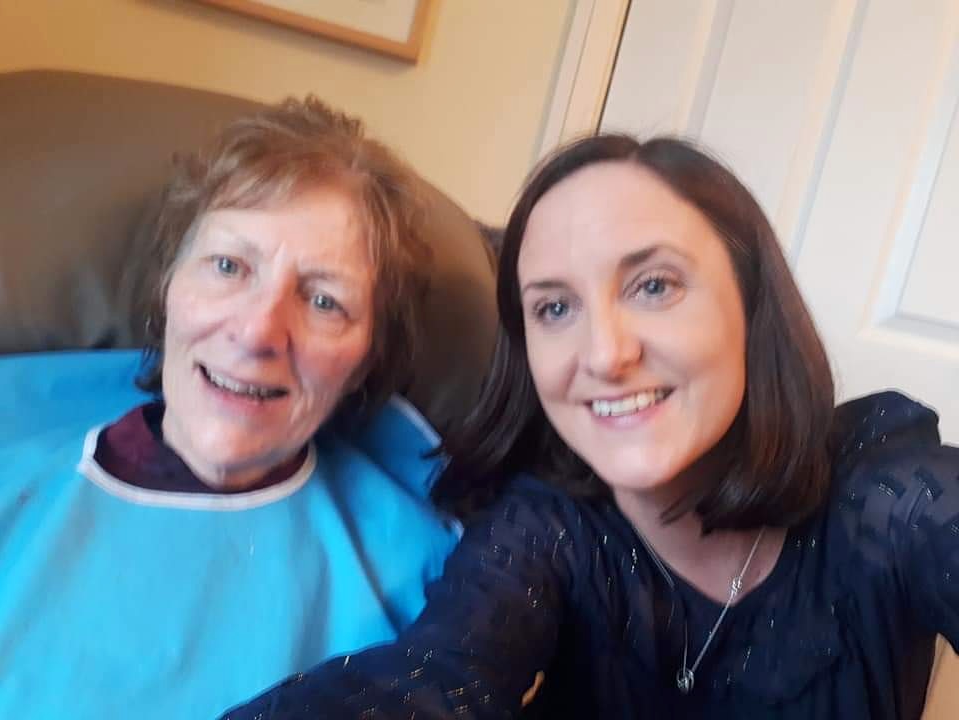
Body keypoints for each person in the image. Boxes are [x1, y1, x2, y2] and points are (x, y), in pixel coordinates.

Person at [220, 134, 959, 719]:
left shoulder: (892, 499)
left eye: (654, 285)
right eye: (554, 308)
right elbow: (433, 680)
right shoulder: (546, 530)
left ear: (752, 303)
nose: (605, 354)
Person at [0, 98, 461, 719]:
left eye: (324, 301)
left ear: (366, 360)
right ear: (168, 288)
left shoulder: (433, 584)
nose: (257, 331)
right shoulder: (14, 478)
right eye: (228, 267)